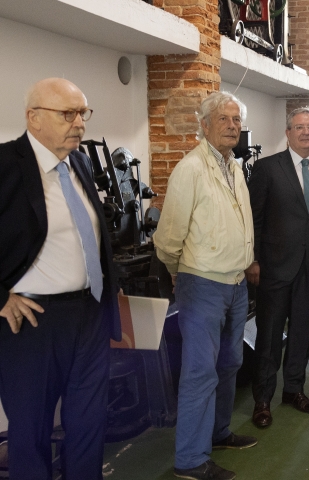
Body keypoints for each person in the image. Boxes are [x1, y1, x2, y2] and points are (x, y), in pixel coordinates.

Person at [0, 78, 121, 480]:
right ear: (33, 118)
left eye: (82, 113)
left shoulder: (80, 162)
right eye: (67, 114)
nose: (79, 124)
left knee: (88, 423)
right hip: (34, 321)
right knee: (31, 430)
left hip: (89, 314)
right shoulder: (5, 165)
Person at [154, 91, 257, 480]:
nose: (232, 126)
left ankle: (218, 433)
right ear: (205, 125)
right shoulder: (191, 169)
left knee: (229, 363)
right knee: (200, 372)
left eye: (236, 120)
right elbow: (168, 238)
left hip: (235, 282)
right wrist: (181, 273)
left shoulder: (233, 166)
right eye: (224, 120)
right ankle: (190, 460)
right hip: (203, 285)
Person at [246, 107, 309, 427]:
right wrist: (254, 259)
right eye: (299, 127)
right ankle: (262, 399)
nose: (305, 132)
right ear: (287, 133)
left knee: (301, 333)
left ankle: (293, 390)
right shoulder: (267, 169)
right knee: (270, 337)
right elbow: (254, 219)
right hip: (274, 268)